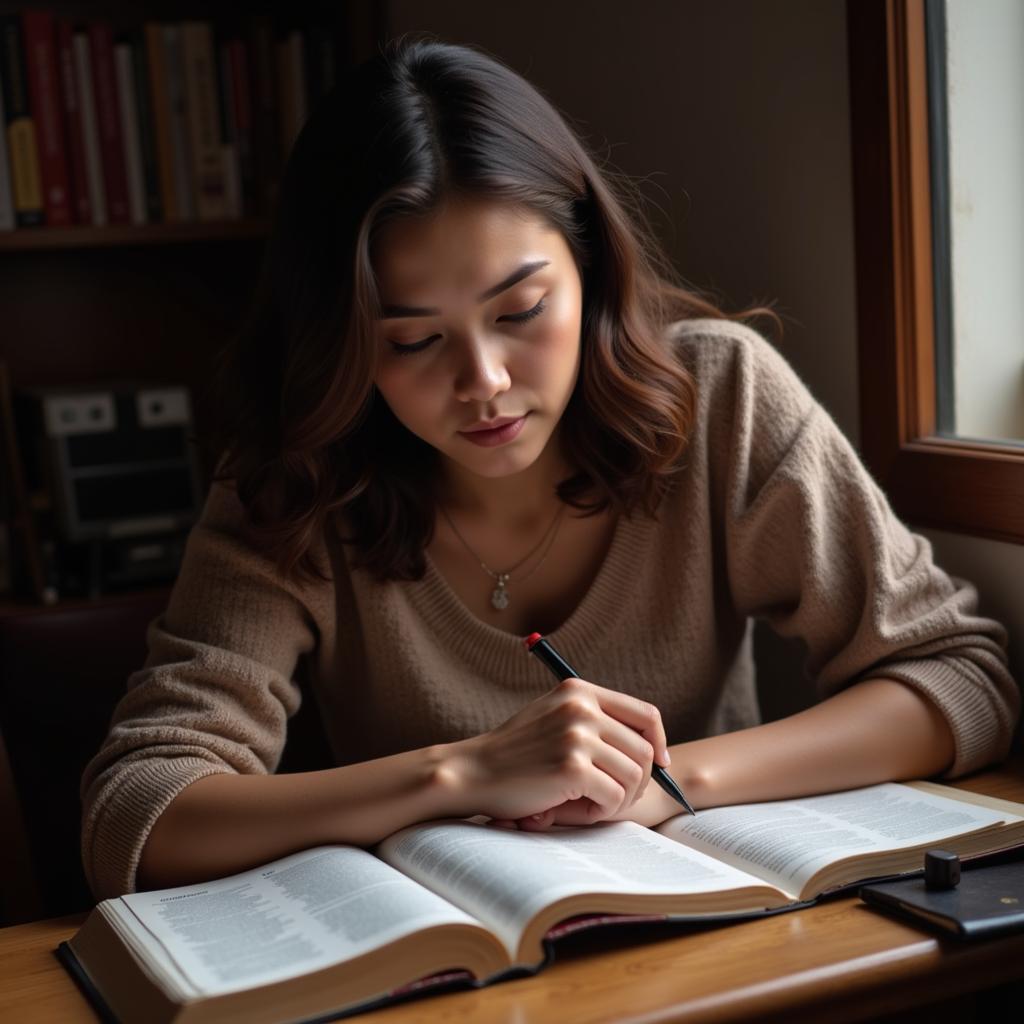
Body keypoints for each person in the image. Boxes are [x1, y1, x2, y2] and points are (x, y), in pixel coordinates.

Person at [81, 35, 1019, 900]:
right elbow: (141, 807)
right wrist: (463, 771)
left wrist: (661, 784)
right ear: (343, 348)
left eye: (522, 311)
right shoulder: (297, 477)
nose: (483, 383)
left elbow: (956, 678)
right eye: (412, 341)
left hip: (719, 944)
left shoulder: (719, 396)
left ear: (589, 271)